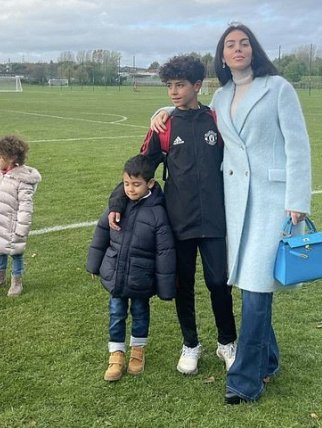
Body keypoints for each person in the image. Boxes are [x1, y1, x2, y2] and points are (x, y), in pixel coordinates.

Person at [152, 23, 312, 404]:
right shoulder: (222, 97)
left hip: (273, 202)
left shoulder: (278, 88)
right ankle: (269, 360)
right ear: (222, 56)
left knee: (256, 291)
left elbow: (298, 145)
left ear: (253, 49)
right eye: (230, 45)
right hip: (234, 203)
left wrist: (298, 199)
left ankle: (245, 380)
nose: (237, 49)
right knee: (250, 285)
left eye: (243, 43)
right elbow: (193, 115)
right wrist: (161, 110)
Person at [109, 55, 237, 376]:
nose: (174, 92)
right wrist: (118, 202)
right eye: (169, 86)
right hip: (177, 223)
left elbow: (240, 164)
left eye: (180, 85)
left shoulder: (217, 122)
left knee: (218, 282)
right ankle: (190, 345)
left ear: (198, 85)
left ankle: (227, 343)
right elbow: (139, 170)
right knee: (184, 285)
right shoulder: (163, 127)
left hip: (215, 222)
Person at [86, 154, 176, 381]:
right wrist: (94, 265)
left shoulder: (158, 213)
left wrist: (165, 287)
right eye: (126, 184)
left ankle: (138, 351)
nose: (130, 189)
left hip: (141, 278)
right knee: (116, 313)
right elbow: (101, 233)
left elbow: (164, 252)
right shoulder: (116, 207)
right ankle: (116, 355)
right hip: (116, 275)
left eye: (136, 185)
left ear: (150, 184)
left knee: (140, 313)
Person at [0, 135, 41, 297]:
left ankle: (16, 281)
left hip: (13, 225)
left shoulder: (22, 181)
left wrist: (21, 228)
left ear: (11, 158)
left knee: (16, 252)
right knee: (0, 249)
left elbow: (26, 207)